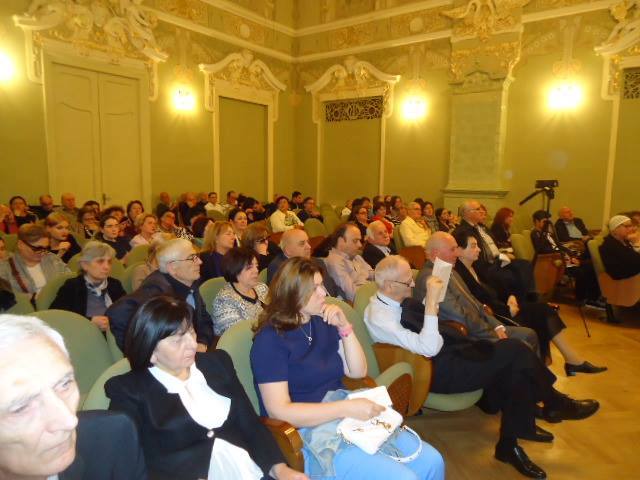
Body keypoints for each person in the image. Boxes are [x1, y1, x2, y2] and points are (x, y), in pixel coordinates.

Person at [365, 254, 600, 479]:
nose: (412, 283)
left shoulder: (395, 298)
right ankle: (553, 403)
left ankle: (510, 444)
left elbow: (419, 325)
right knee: (515, 350)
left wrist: (430, 301)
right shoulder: (380, 317)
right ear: (389, 285)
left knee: (515, 366)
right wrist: (431, 305)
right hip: (432, 372)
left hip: (446, 357)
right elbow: (429, 348)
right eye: (407, 281)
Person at [251, 257, 444, 480]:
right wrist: (345, 409)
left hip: (344, 416)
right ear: (292, 293)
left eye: (322, 285)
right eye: (314, 288)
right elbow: (280, 411)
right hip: (311, 433)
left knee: (433, 461)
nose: (324, 292)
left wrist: (345, 328)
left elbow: (357, 371)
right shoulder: (270, 340)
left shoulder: (321, 320)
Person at [103, 297, 305, 480]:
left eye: (191, 332)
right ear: (151, 351)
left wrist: (280, 469)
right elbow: (128, 466)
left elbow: (250, 425)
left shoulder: (217, 364)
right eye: (177, 340)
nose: (192, 344)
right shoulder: (129, 391)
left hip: (250, 472)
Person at [454, 231, 607, 375]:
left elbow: (496, 288)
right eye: (473, 246)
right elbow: (480, 303)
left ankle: (567, 360)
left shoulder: (476, 268)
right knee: (541, 314)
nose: (479, 249)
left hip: (504, 307)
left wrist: (510, 297)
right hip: (496, 317)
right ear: (459, 250)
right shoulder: (461, 275)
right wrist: (507, 309)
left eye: (477, 245)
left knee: (544, 311)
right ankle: (561, 364)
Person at [106, 238, 214, 352]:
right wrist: (146, 354)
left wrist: (202, 343)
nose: (200, 262)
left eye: (197, 256)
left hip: (192, 350)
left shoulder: (189, 281)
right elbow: (117, 313)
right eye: (192, 258)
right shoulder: (156, 289)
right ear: (173, 267)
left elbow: (204, 320)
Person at [454, 200, 535, 303]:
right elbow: (477, 256)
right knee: (511, 274)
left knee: (525, 264)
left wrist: (502, 254)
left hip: (497, 259)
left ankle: (529, 299)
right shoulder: (463, 231)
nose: (482, 212)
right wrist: (499, 257)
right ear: (467, 213)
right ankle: (519, 303)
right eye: (478, 209)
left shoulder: (480, 227)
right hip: (485, 265)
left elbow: (493, 244)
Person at [530, 210, 602, 306]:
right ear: (536, 221)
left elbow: (559, 245)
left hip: (561, 257)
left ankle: (591, 297)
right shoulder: (536, 234)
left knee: (589, 267)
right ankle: (581, 297)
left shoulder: (548, 233)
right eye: (544, 221)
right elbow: (542, 250)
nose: (547, 224)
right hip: (554, 261)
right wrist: (562, 255)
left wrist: (570, 254)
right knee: (582, 271)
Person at [50, 241, 126, 332]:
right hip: (82, 333)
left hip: (114, 333)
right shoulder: (72, 286)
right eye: (100, 261)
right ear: (85, 265)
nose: (106, 267)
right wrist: (89, 322)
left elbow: (126, 311)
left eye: (109, 262)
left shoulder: (114, 284)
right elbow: (56, 316)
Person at [266, 229, 343, 297]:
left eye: (308, 242)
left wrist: (340, 300)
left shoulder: (318, 261)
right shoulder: (279, 268)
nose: (309, 247)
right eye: (302, 243)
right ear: (288, 250)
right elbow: (288, 300)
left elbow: (334, 287)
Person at [211, 247, 268, 336]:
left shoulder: (261, 288)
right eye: (249, 267)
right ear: (234, 269)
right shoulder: (225, 300)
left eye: (256, 266)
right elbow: (239, 336)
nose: (256, 270)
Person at [0, 224, 69, 296]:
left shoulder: (51, 257)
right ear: (21, 244)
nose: (42, 252)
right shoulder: (6, 268)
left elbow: (69, 279)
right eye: (37, 248)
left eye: (45, 248)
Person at [325, 223, 374, 303]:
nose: (360, 245)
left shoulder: (356, 256)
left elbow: (374, 275)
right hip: (365, 302)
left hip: (374, 295)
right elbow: (353, 295)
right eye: (355, 241)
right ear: (341, 241)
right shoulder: (335, 262)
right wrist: (364, 276)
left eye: (359, 240)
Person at [599, 214, 640, 280]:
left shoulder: (624, 241)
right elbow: (635, 261)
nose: (631, 229)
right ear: (615, 228)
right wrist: (635, 243)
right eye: (627, 226)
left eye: (631, 226)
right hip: (624, 281)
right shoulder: (610, 245)